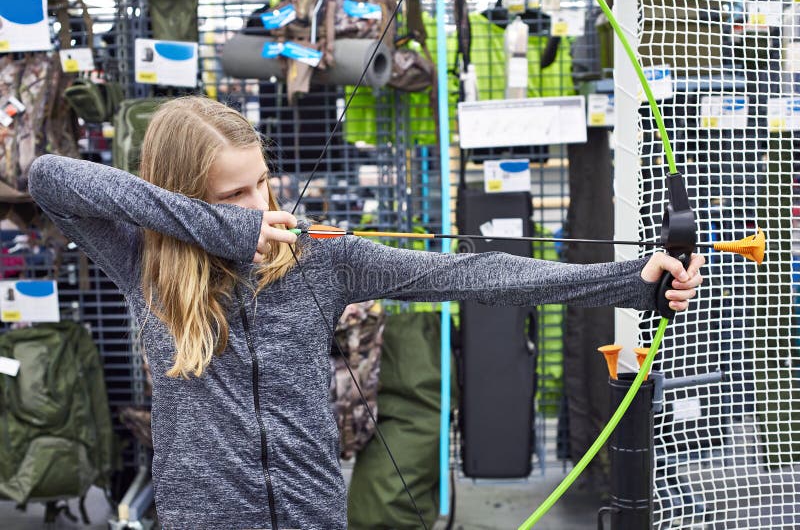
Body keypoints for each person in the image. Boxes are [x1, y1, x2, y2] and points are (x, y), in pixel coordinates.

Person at [28, 96, 704, 529]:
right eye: (233, 194)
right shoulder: (146, 264)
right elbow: (50, 178)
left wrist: (628, 281)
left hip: (312, 514)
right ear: (182, 201)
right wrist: (223, 232)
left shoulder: (319, 260)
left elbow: (474, 273)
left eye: (262, 180)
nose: (261, 204)